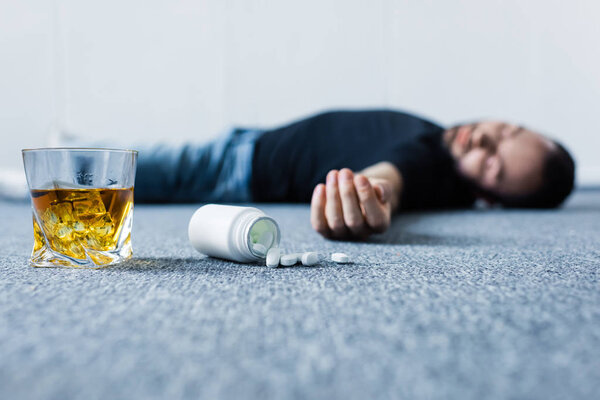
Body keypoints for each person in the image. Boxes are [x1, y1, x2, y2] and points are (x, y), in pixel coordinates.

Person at [127, 109, 575, 240]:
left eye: (493, 164)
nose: (483, 139)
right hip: (251, 141)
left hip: (234, 166)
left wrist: (370, 192)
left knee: (117, 173)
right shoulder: (437, 141)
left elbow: (395, 177)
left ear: (490, 200)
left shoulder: (431, 167)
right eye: (506, 130)